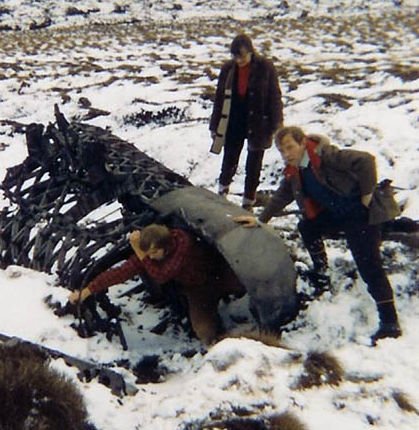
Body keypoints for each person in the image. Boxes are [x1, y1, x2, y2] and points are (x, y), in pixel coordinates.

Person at [234, 126, 402, 345]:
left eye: (290, 147)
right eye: (282, 151)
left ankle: (390, 322)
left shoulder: (327, 156)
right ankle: (321, 272)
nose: (286, 154)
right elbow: (281, 197)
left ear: (303, 142)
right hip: (337, 215)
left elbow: (366, 161)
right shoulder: (295, 171)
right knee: (308, 227)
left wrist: (367, 195)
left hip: (361, 214)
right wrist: (259, 220)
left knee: (369, 265)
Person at [69, 224, 244, 346]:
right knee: (203, 330)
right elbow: (121, 272)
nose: (150, 257)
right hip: (197, 289)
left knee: (249, 283)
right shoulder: (150, 255)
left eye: (153, 253)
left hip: (220, 273)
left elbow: (162, 275)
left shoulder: (184, 242)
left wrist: (138, 251)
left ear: (165, 245)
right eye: (148, 254)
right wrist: (87, 291)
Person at [209, 34, 283, 210]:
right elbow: (219, 98)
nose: (239, 60)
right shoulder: (228, 68)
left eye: (242, 56)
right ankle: (222, 194)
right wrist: (215, 125)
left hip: (259, 123)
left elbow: (275, 97)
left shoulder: (266, 67)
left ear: (251, 51)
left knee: (254, 165)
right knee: (229, 159)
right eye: (235, 56)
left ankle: (248, 202)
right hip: (234, 121)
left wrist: (277, 125)